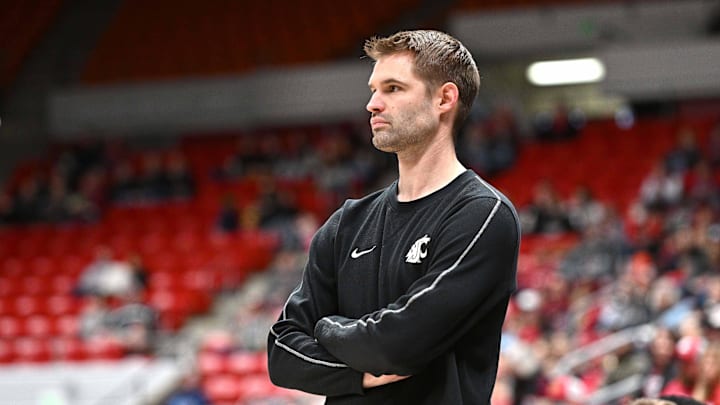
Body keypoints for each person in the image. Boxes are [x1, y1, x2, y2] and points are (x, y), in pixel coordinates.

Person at [267, 30, 520, 404]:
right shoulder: (346, 223)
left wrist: (327, 328)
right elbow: (282, 355)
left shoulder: (483, 215)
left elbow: (398, 345)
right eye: (373, 89)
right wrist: (361, 377)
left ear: (445, 99)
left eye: (393, 88)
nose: (372, 104)